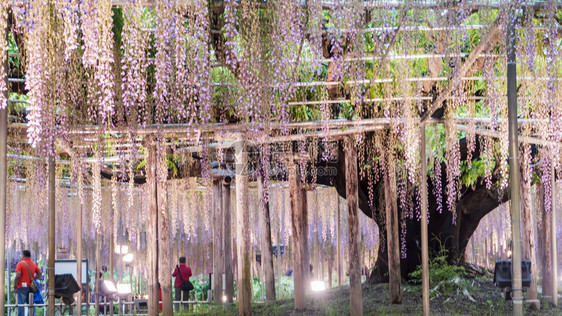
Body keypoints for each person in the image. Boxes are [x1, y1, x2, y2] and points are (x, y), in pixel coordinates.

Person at [14, 250, 42, 316]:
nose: (20, 256)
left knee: (21, 305)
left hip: (21, 287)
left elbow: (18, 275)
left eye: (21, 255)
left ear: (23, 255)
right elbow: (39, 273)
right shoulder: (33, 264)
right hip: (31, 287)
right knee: (31, 304)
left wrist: (15, 286)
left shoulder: (20, 264)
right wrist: (34, 278)